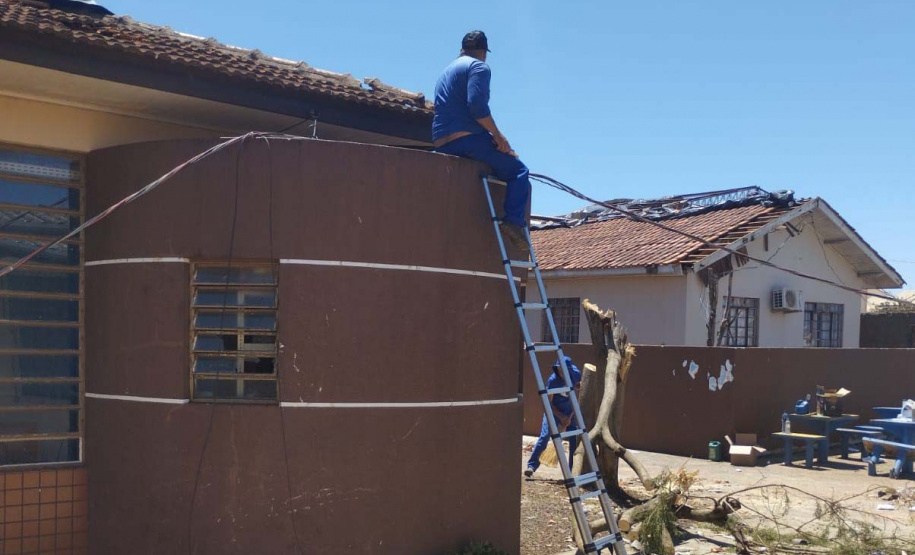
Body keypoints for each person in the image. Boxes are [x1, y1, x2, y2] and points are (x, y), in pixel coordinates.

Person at [433, 30, 532, 251]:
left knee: (493, 157)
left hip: (442, 142)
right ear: (482, 52)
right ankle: (514, 223)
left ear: (461, 49)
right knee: (518, 171)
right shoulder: (478, 67)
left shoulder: (446, 72)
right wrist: (498, 137)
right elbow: (476, 106)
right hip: (467, 139)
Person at [524, 356, 582, 477]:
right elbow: (548, 404)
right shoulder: (553, 381)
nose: (561, 372)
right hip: (554, 412)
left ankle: (572, 472)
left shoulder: (575, 374)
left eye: (563, 369)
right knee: (544, 437)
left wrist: (570, 414)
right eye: (559, 369)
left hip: (570, 412)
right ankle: (531, 466)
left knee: (573, 440)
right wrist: (561, 417)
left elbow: (579, 387)